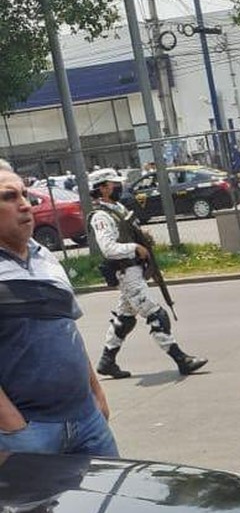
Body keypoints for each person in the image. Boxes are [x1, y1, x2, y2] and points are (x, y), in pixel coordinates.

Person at [0, 169, 117, 456]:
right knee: (37, 504)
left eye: (25, 194)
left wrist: (97, 395)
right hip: (30, 432)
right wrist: (14, 427)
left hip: (88, 421)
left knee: (107, 499)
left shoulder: (46, 258)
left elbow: (67, 330)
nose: (25, 204)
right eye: (8, 197)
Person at [87, 172, 207, 378]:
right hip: (126, 272)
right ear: (103, 187)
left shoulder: (117, 208)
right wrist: (134, 247)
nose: (119, 188)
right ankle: (181, 360)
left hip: (134, 270)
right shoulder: (101, 216)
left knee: (125, 319)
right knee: (155, 314)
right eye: (115, 185)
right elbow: (108, 248)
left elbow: (128, 230)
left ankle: (107, 361)